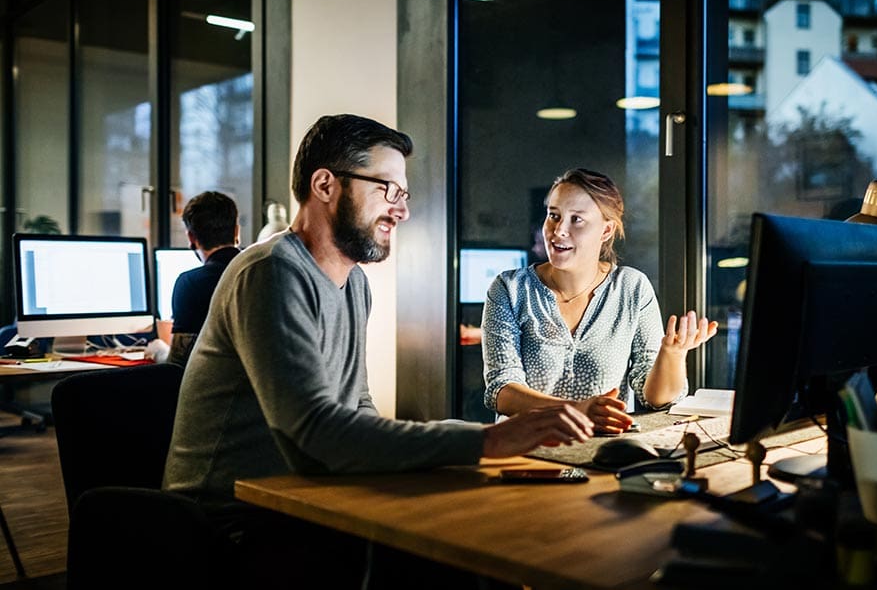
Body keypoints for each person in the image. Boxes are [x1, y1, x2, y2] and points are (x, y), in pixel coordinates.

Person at [163, 114, 592, 589]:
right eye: (387, 189)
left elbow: (358, 408)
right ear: (325, 185)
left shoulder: (354, 285)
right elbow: (316, 436)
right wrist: (486, 441)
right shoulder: (270, 272)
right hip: (232, 526)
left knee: (480, 539)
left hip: (311, 502)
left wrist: (470, 448)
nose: (401, 210)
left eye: (402, 194)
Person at [483, 168, 718, 434]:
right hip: (525, 452)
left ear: (606, 230)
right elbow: (501, 390)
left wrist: (673, 355)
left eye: (577, 220)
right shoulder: (509, 288)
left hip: (605, 453)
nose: (559, 230)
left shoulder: (632, 288)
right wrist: (576, 412)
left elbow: (655, 398)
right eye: (554, 216)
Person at [167, 191, 241, 368]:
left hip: (212, 389)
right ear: (237, 231)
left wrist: (158, 351)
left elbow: (178, 364)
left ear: (191, 238)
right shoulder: (259, 271)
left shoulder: (190, 283)